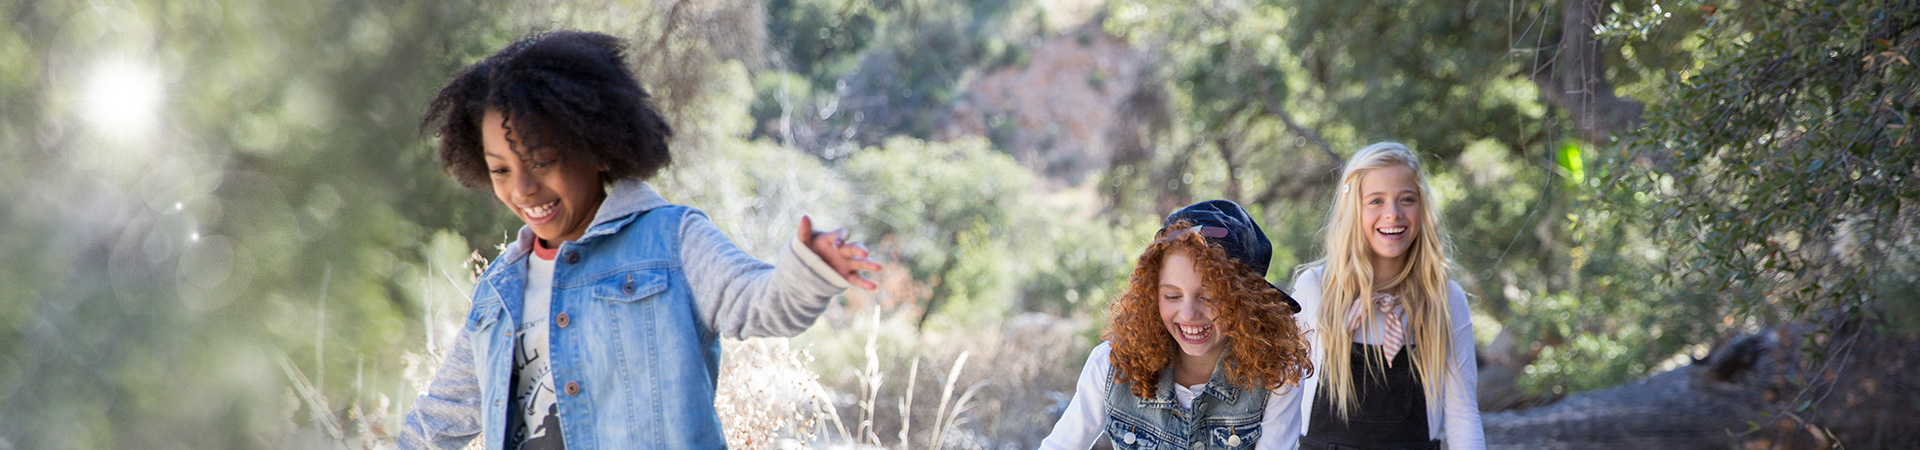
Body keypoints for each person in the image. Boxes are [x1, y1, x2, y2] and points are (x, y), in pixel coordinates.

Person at [397, 30, 881, 450]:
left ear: (598, 148)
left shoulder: (672, 242)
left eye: (541, 160)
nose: (522, 189)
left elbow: (761, 304)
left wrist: (808, 268)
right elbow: (436, 423)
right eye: (501, 170)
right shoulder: (499, 290)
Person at [1041, 200, 1312, 450]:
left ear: (1247, 301)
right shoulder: (1112, 365)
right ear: (1151, 295)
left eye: (1209, 296)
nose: (1189, 313)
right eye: (1172, 296)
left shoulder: (1277, 378)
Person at [1291, 142, 1484, 449]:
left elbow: (1463, 415)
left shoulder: (1444, 299)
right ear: (1353, 209)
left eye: (1406, 199)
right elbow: (1284, 399)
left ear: (1422, 208)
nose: (1392, 214)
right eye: (1376, 201)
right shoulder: (1316, 289)